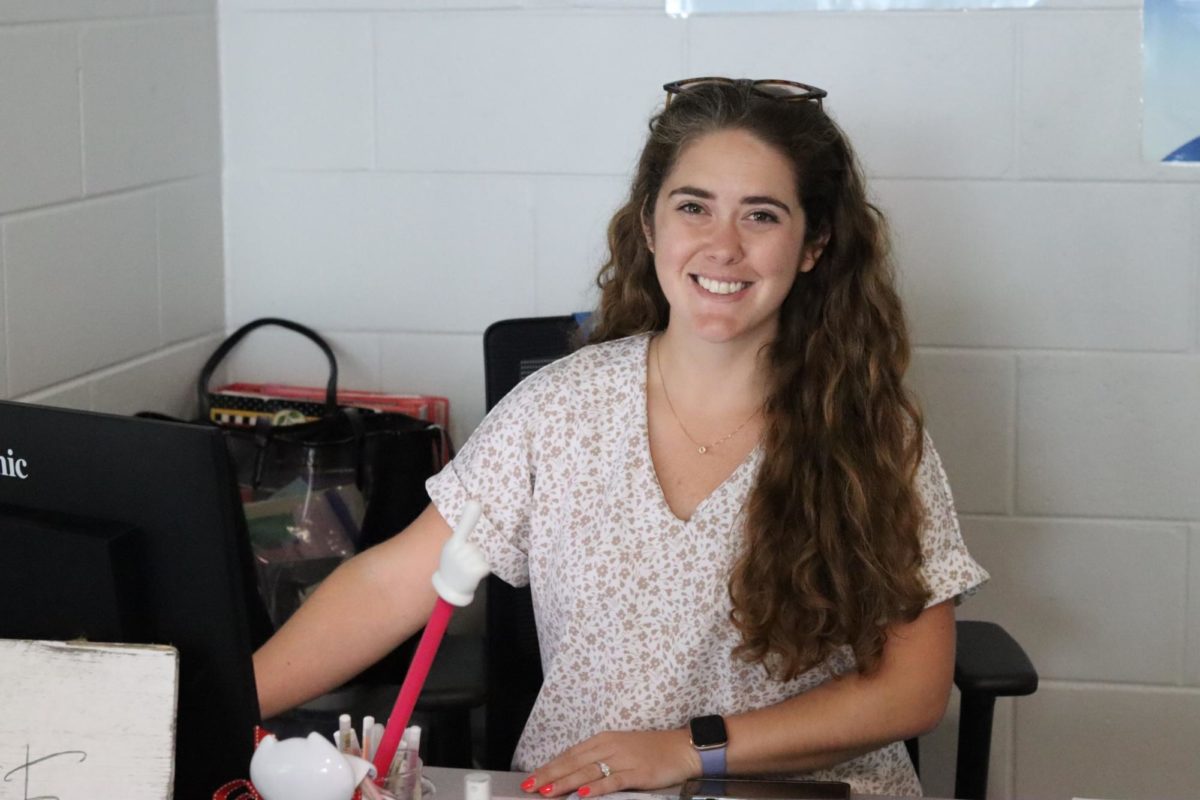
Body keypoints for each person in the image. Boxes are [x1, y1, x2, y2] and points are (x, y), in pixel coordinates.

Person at [253, 77, 988, 798]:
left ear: (813, 244)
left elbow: (911, 692)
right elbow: (390, 584)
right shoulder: (558, 408)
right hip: (583, 791)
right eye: (693, 207)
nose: (722, 246)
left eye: (761, 216)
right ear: (649, 225)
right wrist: (214, 708)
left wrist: (687, 753)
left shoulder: (868, 430)